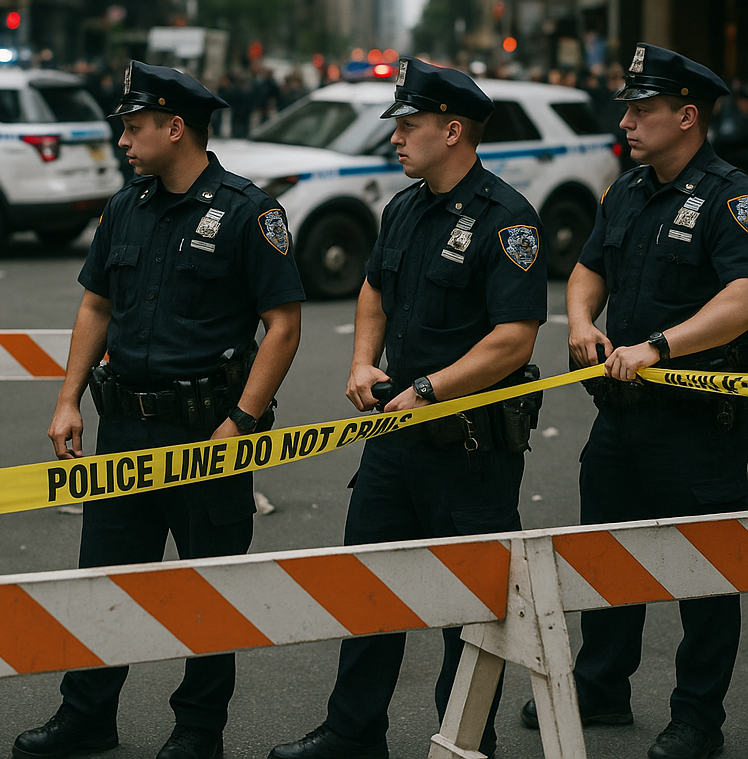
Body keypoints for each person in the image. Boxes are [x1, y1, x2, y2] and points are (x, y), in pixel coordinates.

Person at [13, 61, 304, 759]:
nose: (123, 141)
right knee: (106, 579)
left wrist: (241, 422)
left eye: (134, 127)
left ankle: (199, 730)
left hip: (207, 433)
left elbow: (284, 324)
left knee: (209, 590)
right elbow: (96, 305)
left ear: (176, 128)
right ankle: (87, 715)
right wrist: (67, 399)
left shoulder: (247, 212)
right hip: (124, 427)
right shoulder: (126, 207)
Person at [270, 58, 547, 759]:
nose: (394, 137)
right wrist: (363, 361)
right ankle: (352, 732)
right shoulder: (403, 207)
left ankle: (466, 740)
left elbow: (514, 339)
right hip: (394, 443)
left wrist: (429, 388)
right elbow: (374, 290)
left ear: (452, 132)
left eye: (409, 125)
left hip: (468, 451)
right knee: (368, 588)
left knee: (469, 613)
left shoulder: (507, 218)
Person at [520, 43, 748, 759]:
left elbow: (743, 296)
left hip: (699, 426)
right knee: (606, 556)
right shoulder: (626, 190)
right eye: (627, 109)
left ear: (687, 116)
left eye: (642, 110)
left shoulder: (729, 198)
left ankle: (697, 718)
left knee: (706, 576)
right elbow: (588, 267)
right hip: (622, 416)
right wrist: (581, 322)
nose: (626, 121)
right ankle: (601, 686)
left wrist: (658, 347)